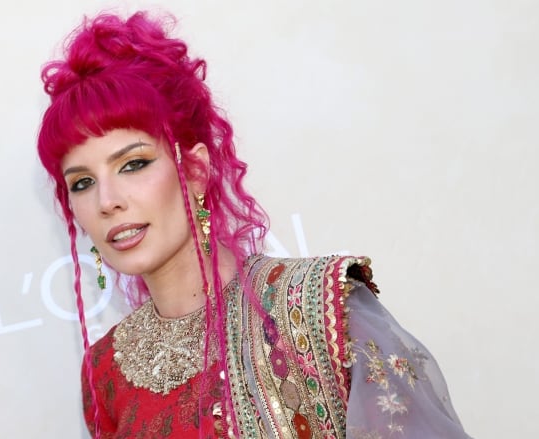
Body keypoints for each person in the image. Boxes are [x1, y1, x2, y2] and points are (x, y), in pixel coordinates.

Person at [36, 11, 471, 439]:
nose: (107, 201)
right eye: (83, 182)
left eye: (133, 163)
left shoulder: (321, 309)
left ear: (194, 171)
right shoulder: (106, 372)